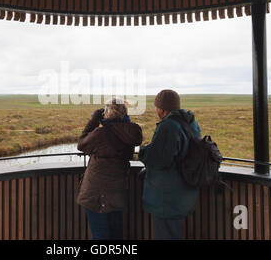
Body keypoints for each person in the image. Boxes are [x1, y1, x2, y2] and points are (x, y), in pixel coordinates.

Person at [138, 90, 201, 240]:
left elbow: (159, 159)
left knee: (166, 234)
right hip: (184, 190)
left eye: (157, 107)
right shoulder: (189, 122)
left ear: (162, 109)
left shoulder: (168, 126)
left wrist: (143, 151)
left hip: (167, 196)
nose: (156, 110)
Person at [76, 98, 143, 240]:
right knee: (115, 233)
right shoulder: (130, 132)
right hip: (118, 191)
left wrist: (94, 121)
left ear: (107, 113)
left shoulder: (101, 133)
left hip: (96, 194)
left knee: (101, 236)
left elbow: (81, 144)